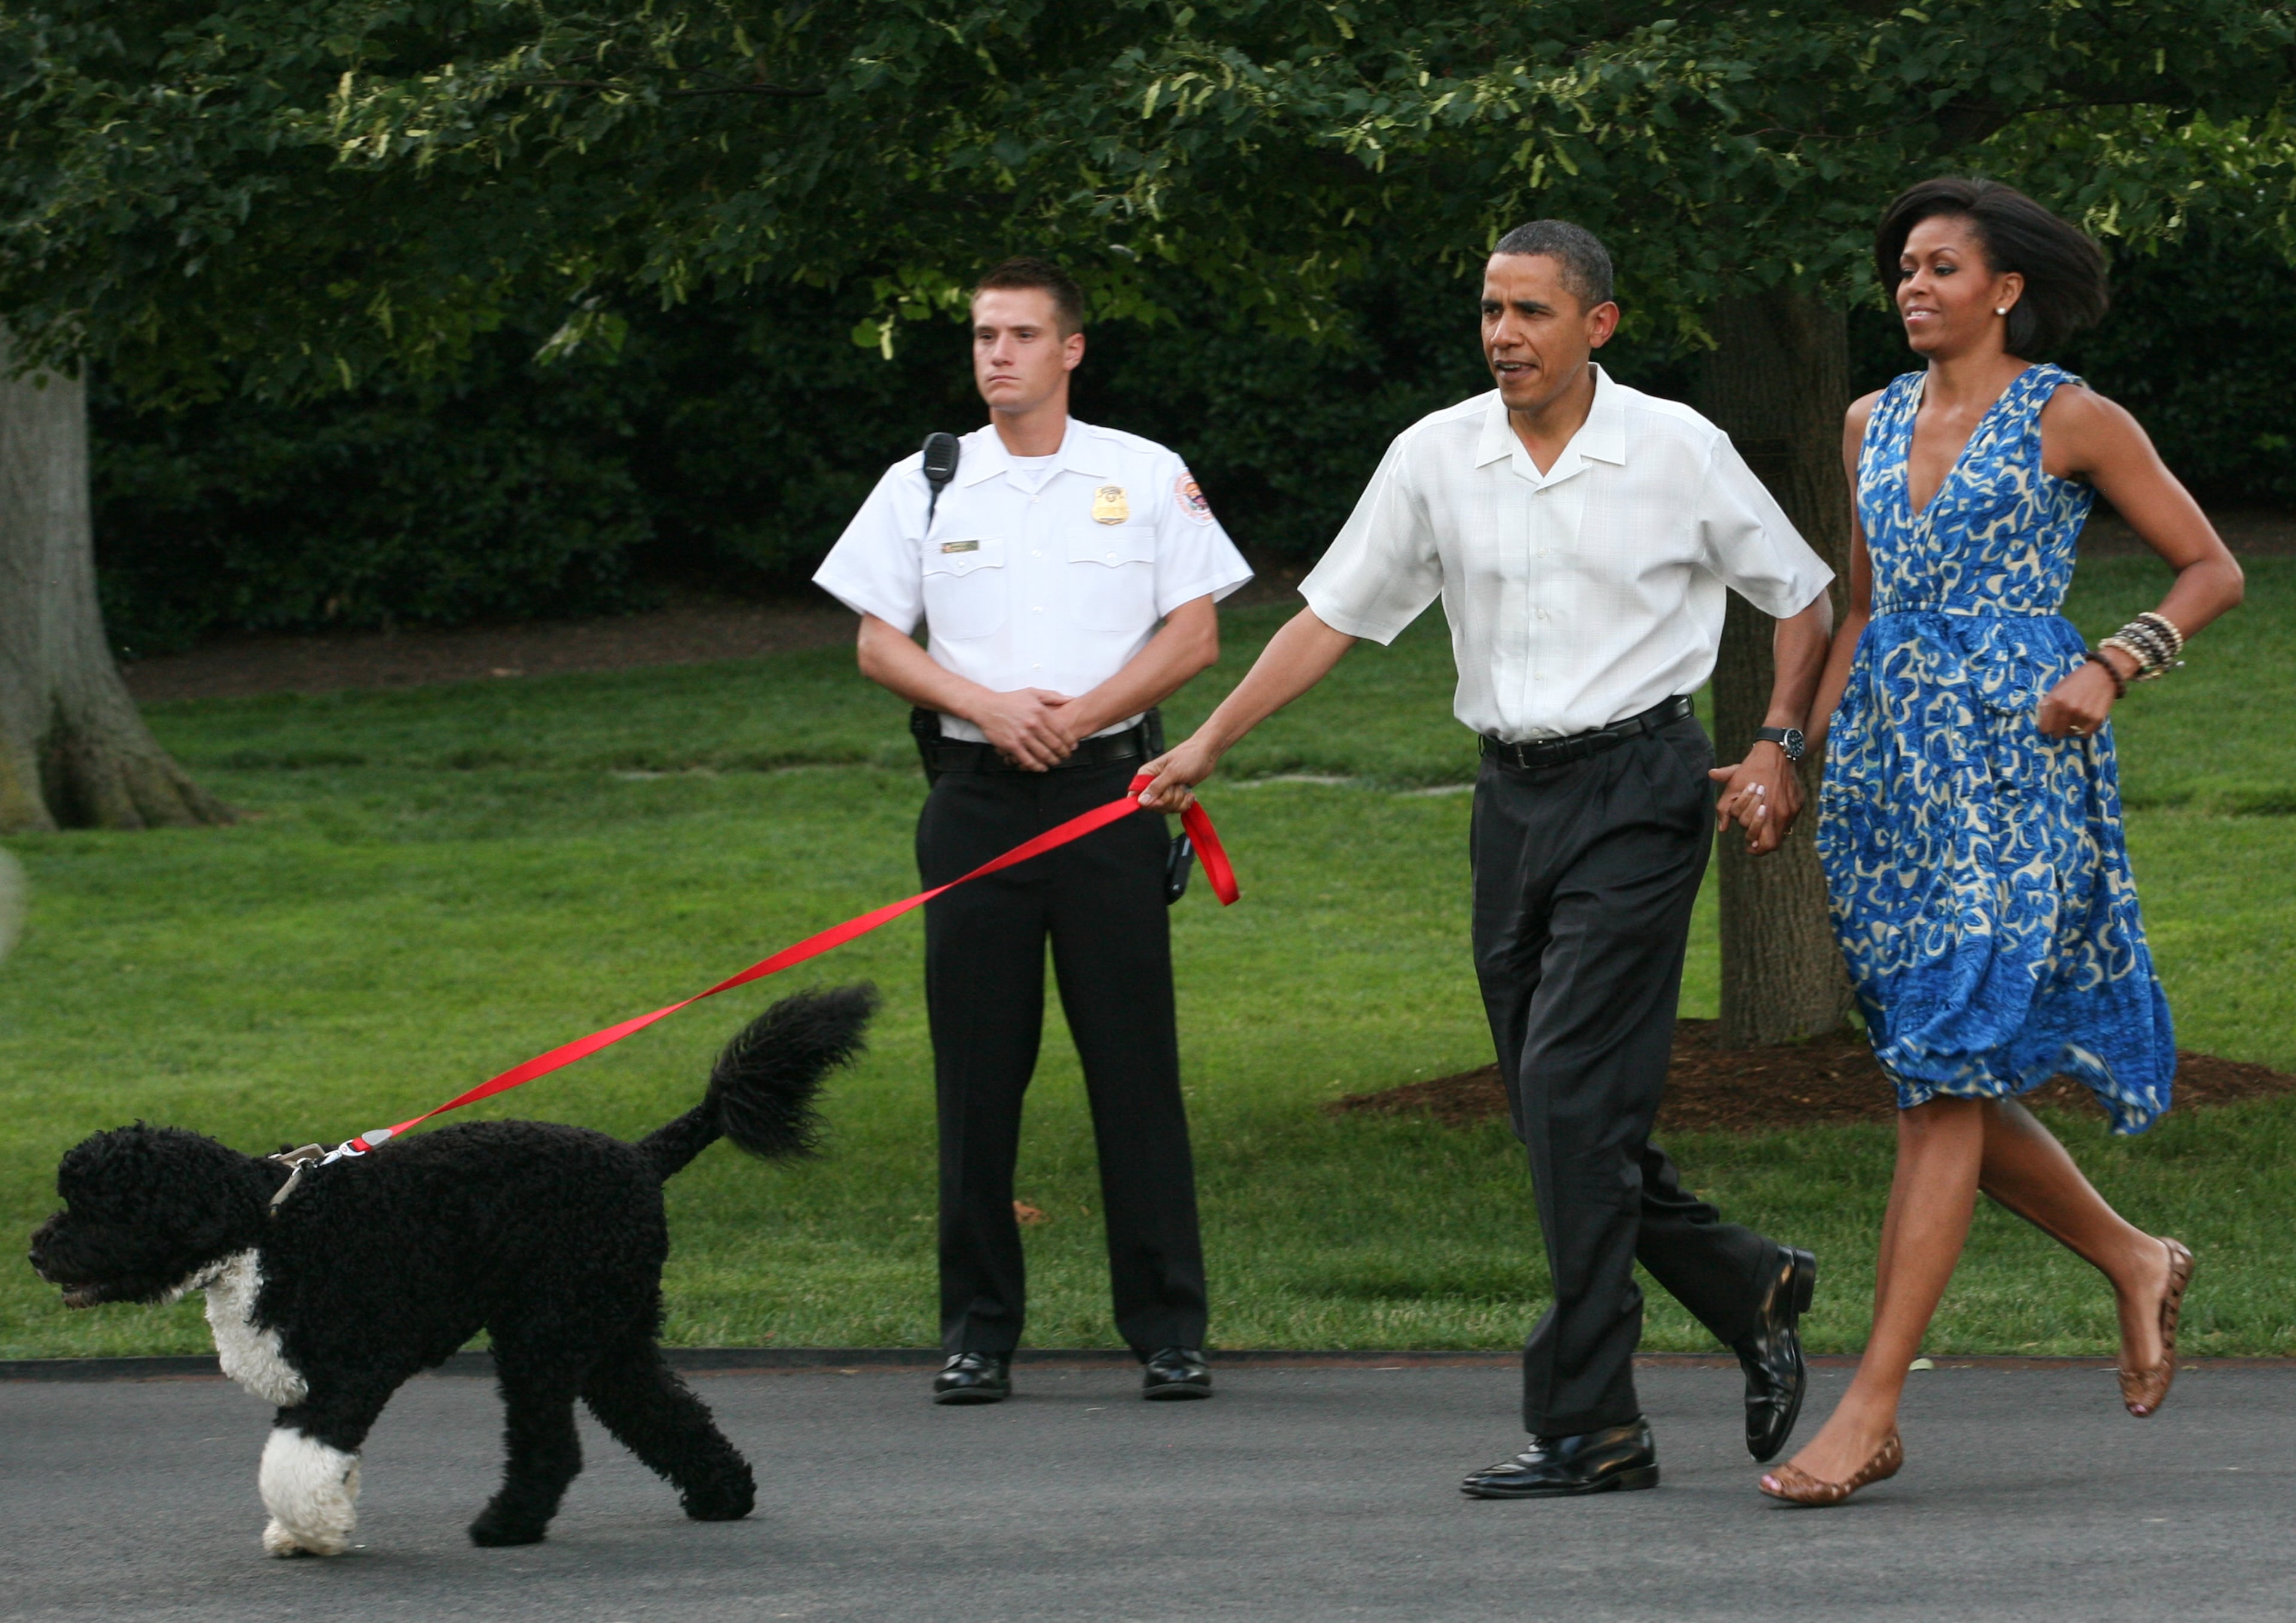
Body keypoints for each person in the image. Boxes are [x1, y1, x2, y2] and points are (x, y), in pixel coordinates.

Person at [1138, 220, 1837, 1496]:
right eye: (1489, 311)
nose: (1503, 334)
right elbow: (1330, 615)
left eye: (1529, 311)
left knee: (1570, 1091)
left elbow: (1803, 593)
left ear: (1597, 325)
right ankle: (1748, 1277)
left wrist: (1782, 742)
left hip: (1641, 788)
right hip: (1510, 803)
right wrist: (1208, 741)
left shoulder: (1677, 447)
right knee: (1556, 1109)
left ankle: (1591, 1422)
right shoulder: (1435, 455)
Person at [1758, 179, 2245, 1506]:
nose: (1912, 286)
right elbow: (1863, 606)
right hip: (1886, 776)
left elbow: (2212, 567)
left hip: (2014, 765)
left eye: (1939, 267)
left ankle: (1872, 1403)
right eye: (1903, 268)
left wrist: (2117, 659)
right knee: (1939, 1064)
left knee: (1943, 1071)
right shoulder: (1868, 416)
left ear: (2005, 287)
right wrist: (1794, 748)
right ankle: (2138, 1256)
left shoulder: (2071, 414)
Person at [813, 257, 1251, 1405]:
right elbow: (875, 644)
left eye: (1018, 335)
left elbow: (1194, 636)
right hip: (974, 803)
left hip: (1109, 797)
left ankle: (1167, 1328)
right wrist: (989, 707)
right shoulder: (925, 481)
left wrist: (1084, 717)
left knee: (1133, 1068)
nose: (995, 354)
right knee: (976, 1072)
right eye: (980, 336)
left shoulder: (1145, 473)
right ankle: (976, 1332)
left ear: (1071, 351)